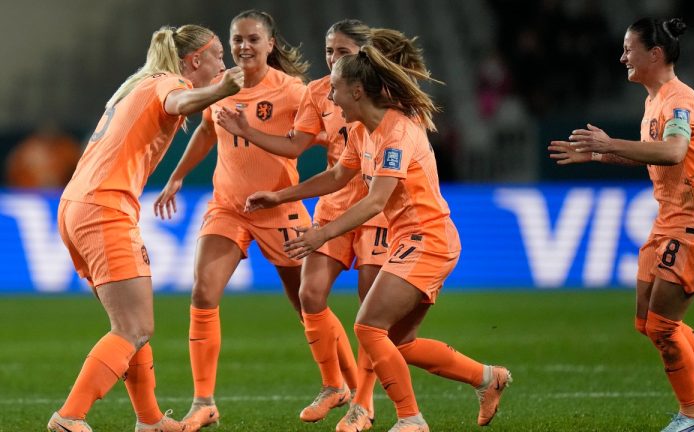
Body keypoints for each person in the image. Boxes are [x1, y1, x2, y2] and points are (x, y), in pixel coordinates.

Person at [243, 46, 512, 432]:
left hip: (429, 239)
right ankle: (488, 378)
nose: (330, 97)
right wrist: (280, 195)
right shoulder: (358, 131)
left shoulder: (397, 133)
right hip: (411, 239)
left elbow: (375, 201)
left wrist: (322, 233)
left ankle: (410, 419)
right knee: (400, 341)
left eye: (335, 89)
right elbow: (337, 177)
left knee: (368, 326)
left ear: (356, 92)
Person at [216, 21, 433, 430]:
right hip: (336, 206)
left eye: (341, 51)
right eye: (329, 50)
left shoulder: (384, 102)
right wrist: (249, 135)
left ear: (363, 59)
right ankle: (334, 385)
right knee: (310, 293)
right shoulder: (320, 91)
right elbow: (305, 150)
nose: (332, 58)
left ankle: (364, 405)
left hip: (376, 211)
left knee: (371, 315)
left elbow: (387, 172)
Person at [548, 17, 694, 432]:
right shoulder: (654, 99)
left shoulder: (680, 100)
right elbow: (655, 152)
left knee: (662, 325)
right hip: (669, 221)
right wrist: (602, 155)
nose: (622, 56)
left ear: (654, 54)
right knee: (647, 320)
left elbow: (674, 152)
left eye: (629, 48)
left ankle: (693, 419)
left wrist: (609, 143)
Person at [48, 25, 243, 432]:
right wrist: (220, 90)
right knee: (135, 328)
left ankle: (150, 421)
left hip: (77, 205)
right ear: (194, 61)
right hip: (104, 207)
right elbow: (180, 101)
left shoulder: (138, 85)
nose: (223, 63)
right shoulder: (168, 82)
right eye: (218, 55)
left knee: (130, 326)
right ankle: (70, 417)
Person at [151, 10, 312, 430]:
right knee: (203, 292)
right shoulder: (222, 86)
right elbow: (206, 131)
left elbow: (307, 142)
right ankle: (203, 401)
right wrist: (177, 176)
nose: (243, 47)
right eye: (237, 39)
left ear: (270, 44)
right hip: (228, 206)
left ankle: (343, 388)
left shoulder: (293, 91)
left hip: (277, 207)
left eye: (252, 39)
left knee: (308, 305)